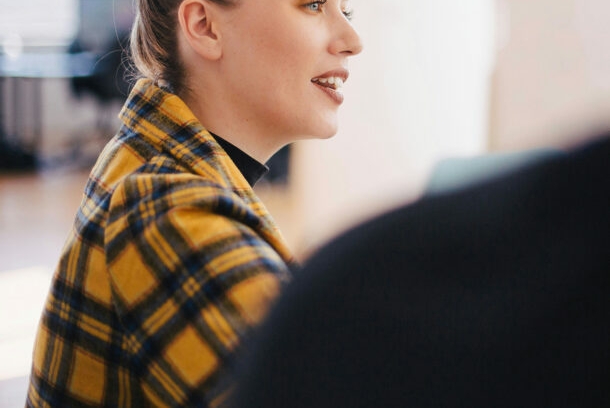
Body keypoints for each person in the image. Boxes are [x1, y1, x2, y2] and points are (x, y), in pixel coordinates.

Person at [26, 0, 362, 408]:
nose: (352, 39)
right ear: (204, 27)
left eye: (344, 8)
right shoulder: (167, 211)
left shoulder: (156, 165)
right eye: (313, 3)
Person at [232, 133, 610, 407]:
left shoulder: (346, 290)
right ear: (205, 26)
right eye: (313, 14)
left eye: (347, 15)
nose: (351, 41)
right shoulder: (357, 301)